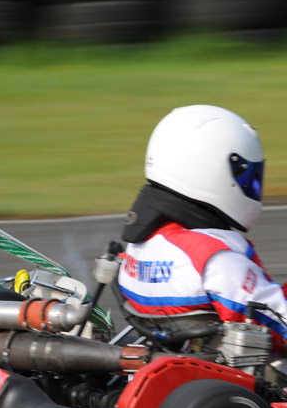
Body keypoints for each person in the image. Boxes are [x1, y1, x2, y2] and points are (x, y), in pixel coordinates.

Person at [118, 104, 286, 359]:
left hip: (178, 367)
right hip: (240, 382)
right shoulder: (215, 260)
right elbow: (278, 324)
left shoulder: (137, 248)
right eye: (246, 174)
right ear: (214, 170)